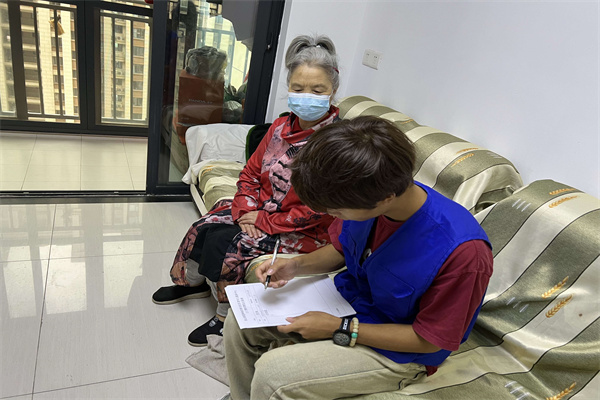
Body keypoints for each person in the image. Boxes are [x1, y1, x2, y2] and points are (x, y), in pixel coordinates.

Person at [223, 116, 494, 399]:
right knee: (240, 322)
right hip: (348, 302)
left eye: (337, 211)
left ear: (386, 198)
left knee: (273, 375)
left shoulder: (464, 253)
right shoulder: (367, 198)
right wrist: (295, 265)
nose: (332, 215)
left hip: (401, 348)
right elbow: (342, 249)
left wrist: (340, 327)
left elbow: (429, 340)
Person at [152, 34, 342, 347]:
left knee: (233, 245)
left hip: (304, 228)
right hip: (259, 210)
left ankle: (224, 318)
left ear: (333, 90)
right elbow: (251, 171)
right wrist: (244, 210)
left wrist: (263, 221)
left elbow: (320, 208)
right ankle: (193, 283)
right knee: (206, 225)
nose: (306, 96)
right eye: (298, 89)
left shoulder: (338, 143)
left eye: (317, 90)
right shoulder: (280, 127)